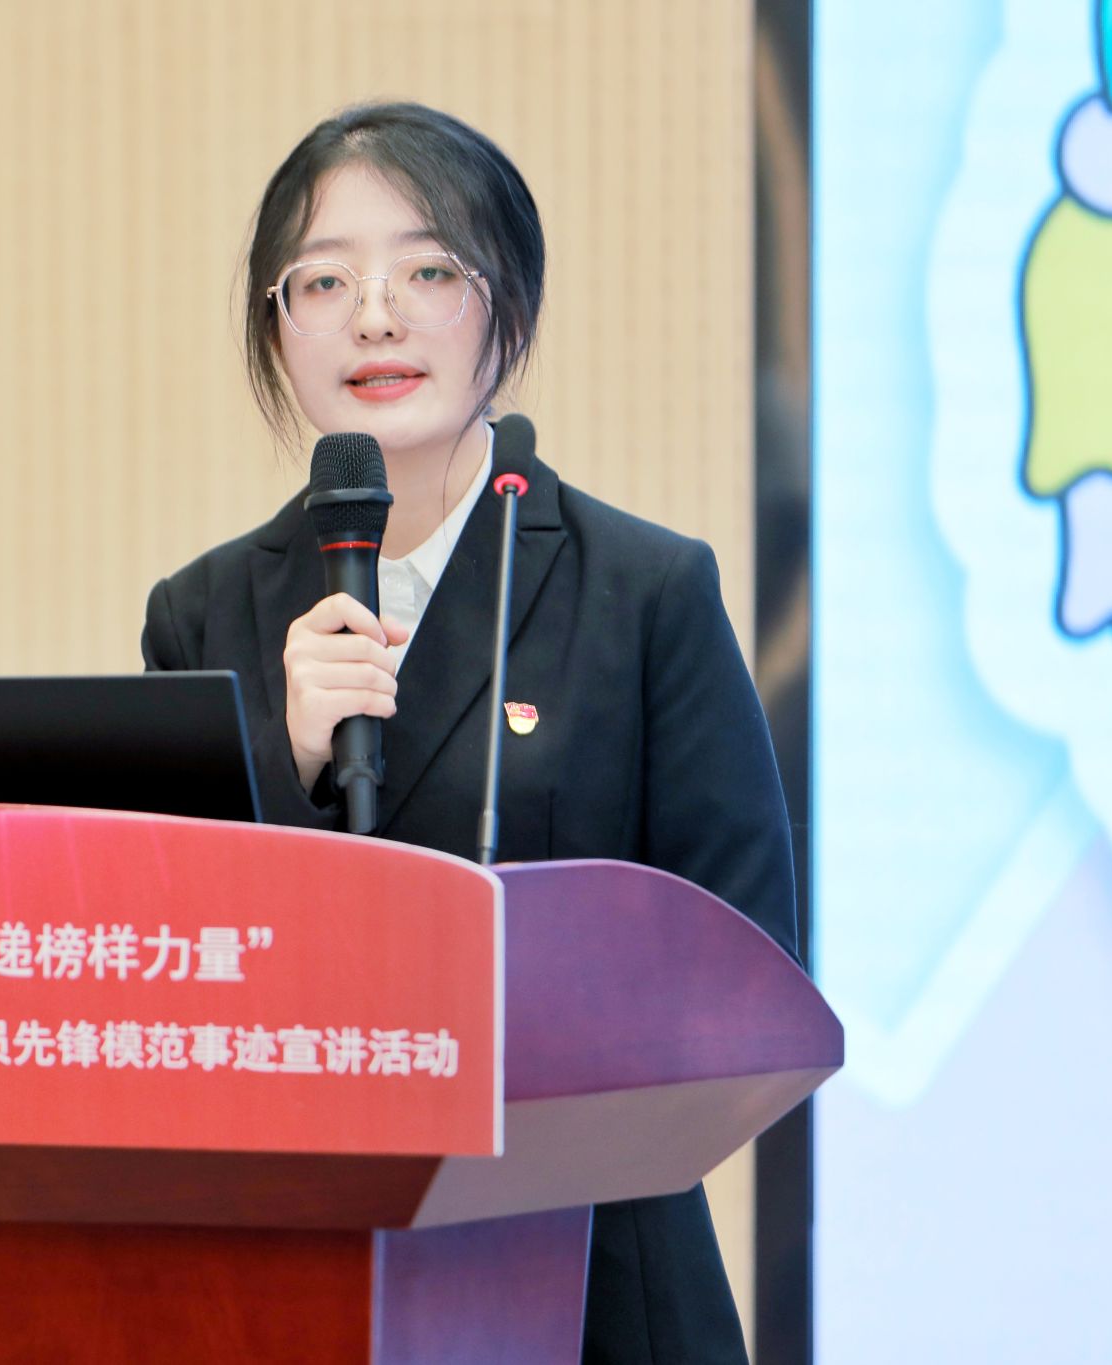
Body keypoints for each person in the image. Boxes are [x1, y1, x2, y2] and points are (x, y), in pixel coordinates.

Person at [140, 102, 799, 1365]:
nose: (373, 317)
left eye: (427, 271)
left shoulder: (640, 591)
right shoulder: (205, 611)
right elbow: (166, 973)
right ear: (275, 329)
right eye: (322, 281)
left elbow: (747, 968)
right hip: (289, 1283)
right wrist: (282, 762)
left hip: (592, 1286)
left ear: (507, 306)